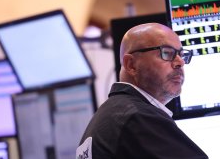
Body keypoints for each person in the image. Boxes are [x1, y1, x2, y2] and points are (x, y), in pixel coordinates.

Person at [76, 23, 208, 159]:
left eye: (181, 54)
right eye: (167, 53)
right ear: (131, 65)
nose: (180, 62)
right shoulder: (137, 118)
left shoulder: (111, 114)